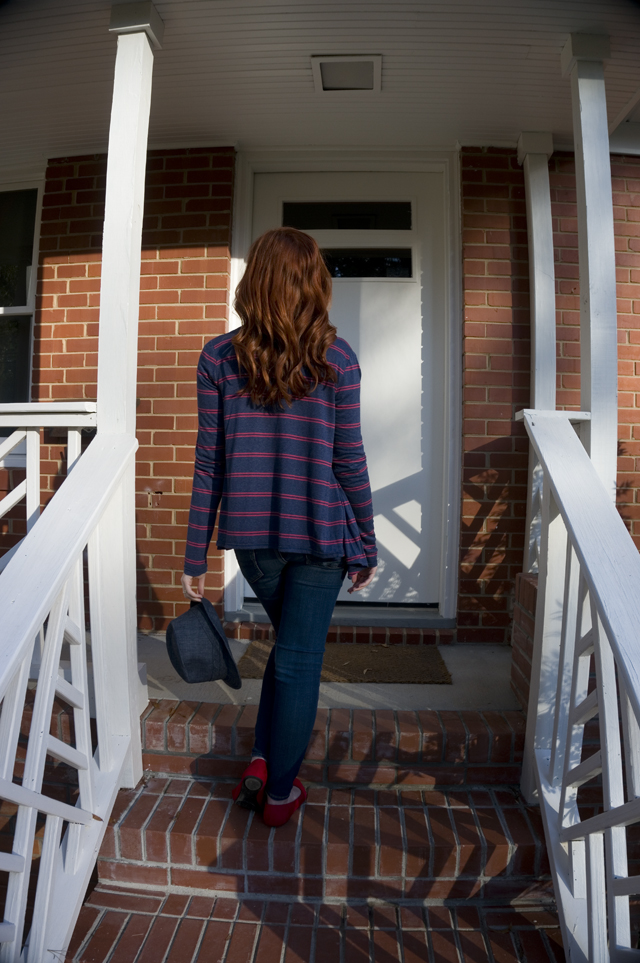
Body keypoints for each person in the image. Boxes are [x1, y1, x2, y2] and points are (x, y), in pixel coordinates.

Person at [181, 227, 377, 827]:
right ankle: (282, 795)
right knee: (297, 659)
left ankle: (264, 759)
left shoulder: (218, 356)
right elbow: (350, 460)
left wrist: (195, 555)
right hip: (321, 538)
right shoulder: (336, 358)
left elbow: (208, 462)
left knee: (288, 653)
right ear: (313, 283)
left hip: (254, 546)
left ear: (255, 280)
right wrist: (365, 543)